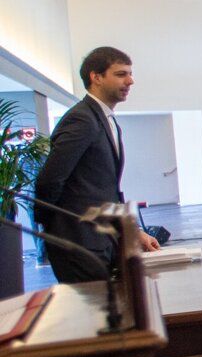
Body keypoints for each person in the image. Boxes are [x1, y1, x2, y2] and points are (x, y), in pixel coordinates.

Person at [35, 46, 161, 282]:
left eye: (130, 74)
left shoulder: (103, 119)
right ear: (96, 77)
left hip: (100, 241)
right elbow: (49, 180)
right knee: (94, 316)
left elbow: (103, 191)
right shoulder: (82, 119)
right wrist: (59, 228)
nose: (130, 81)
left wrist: (132, 231)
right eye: (121, 74)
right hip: (79, 245)